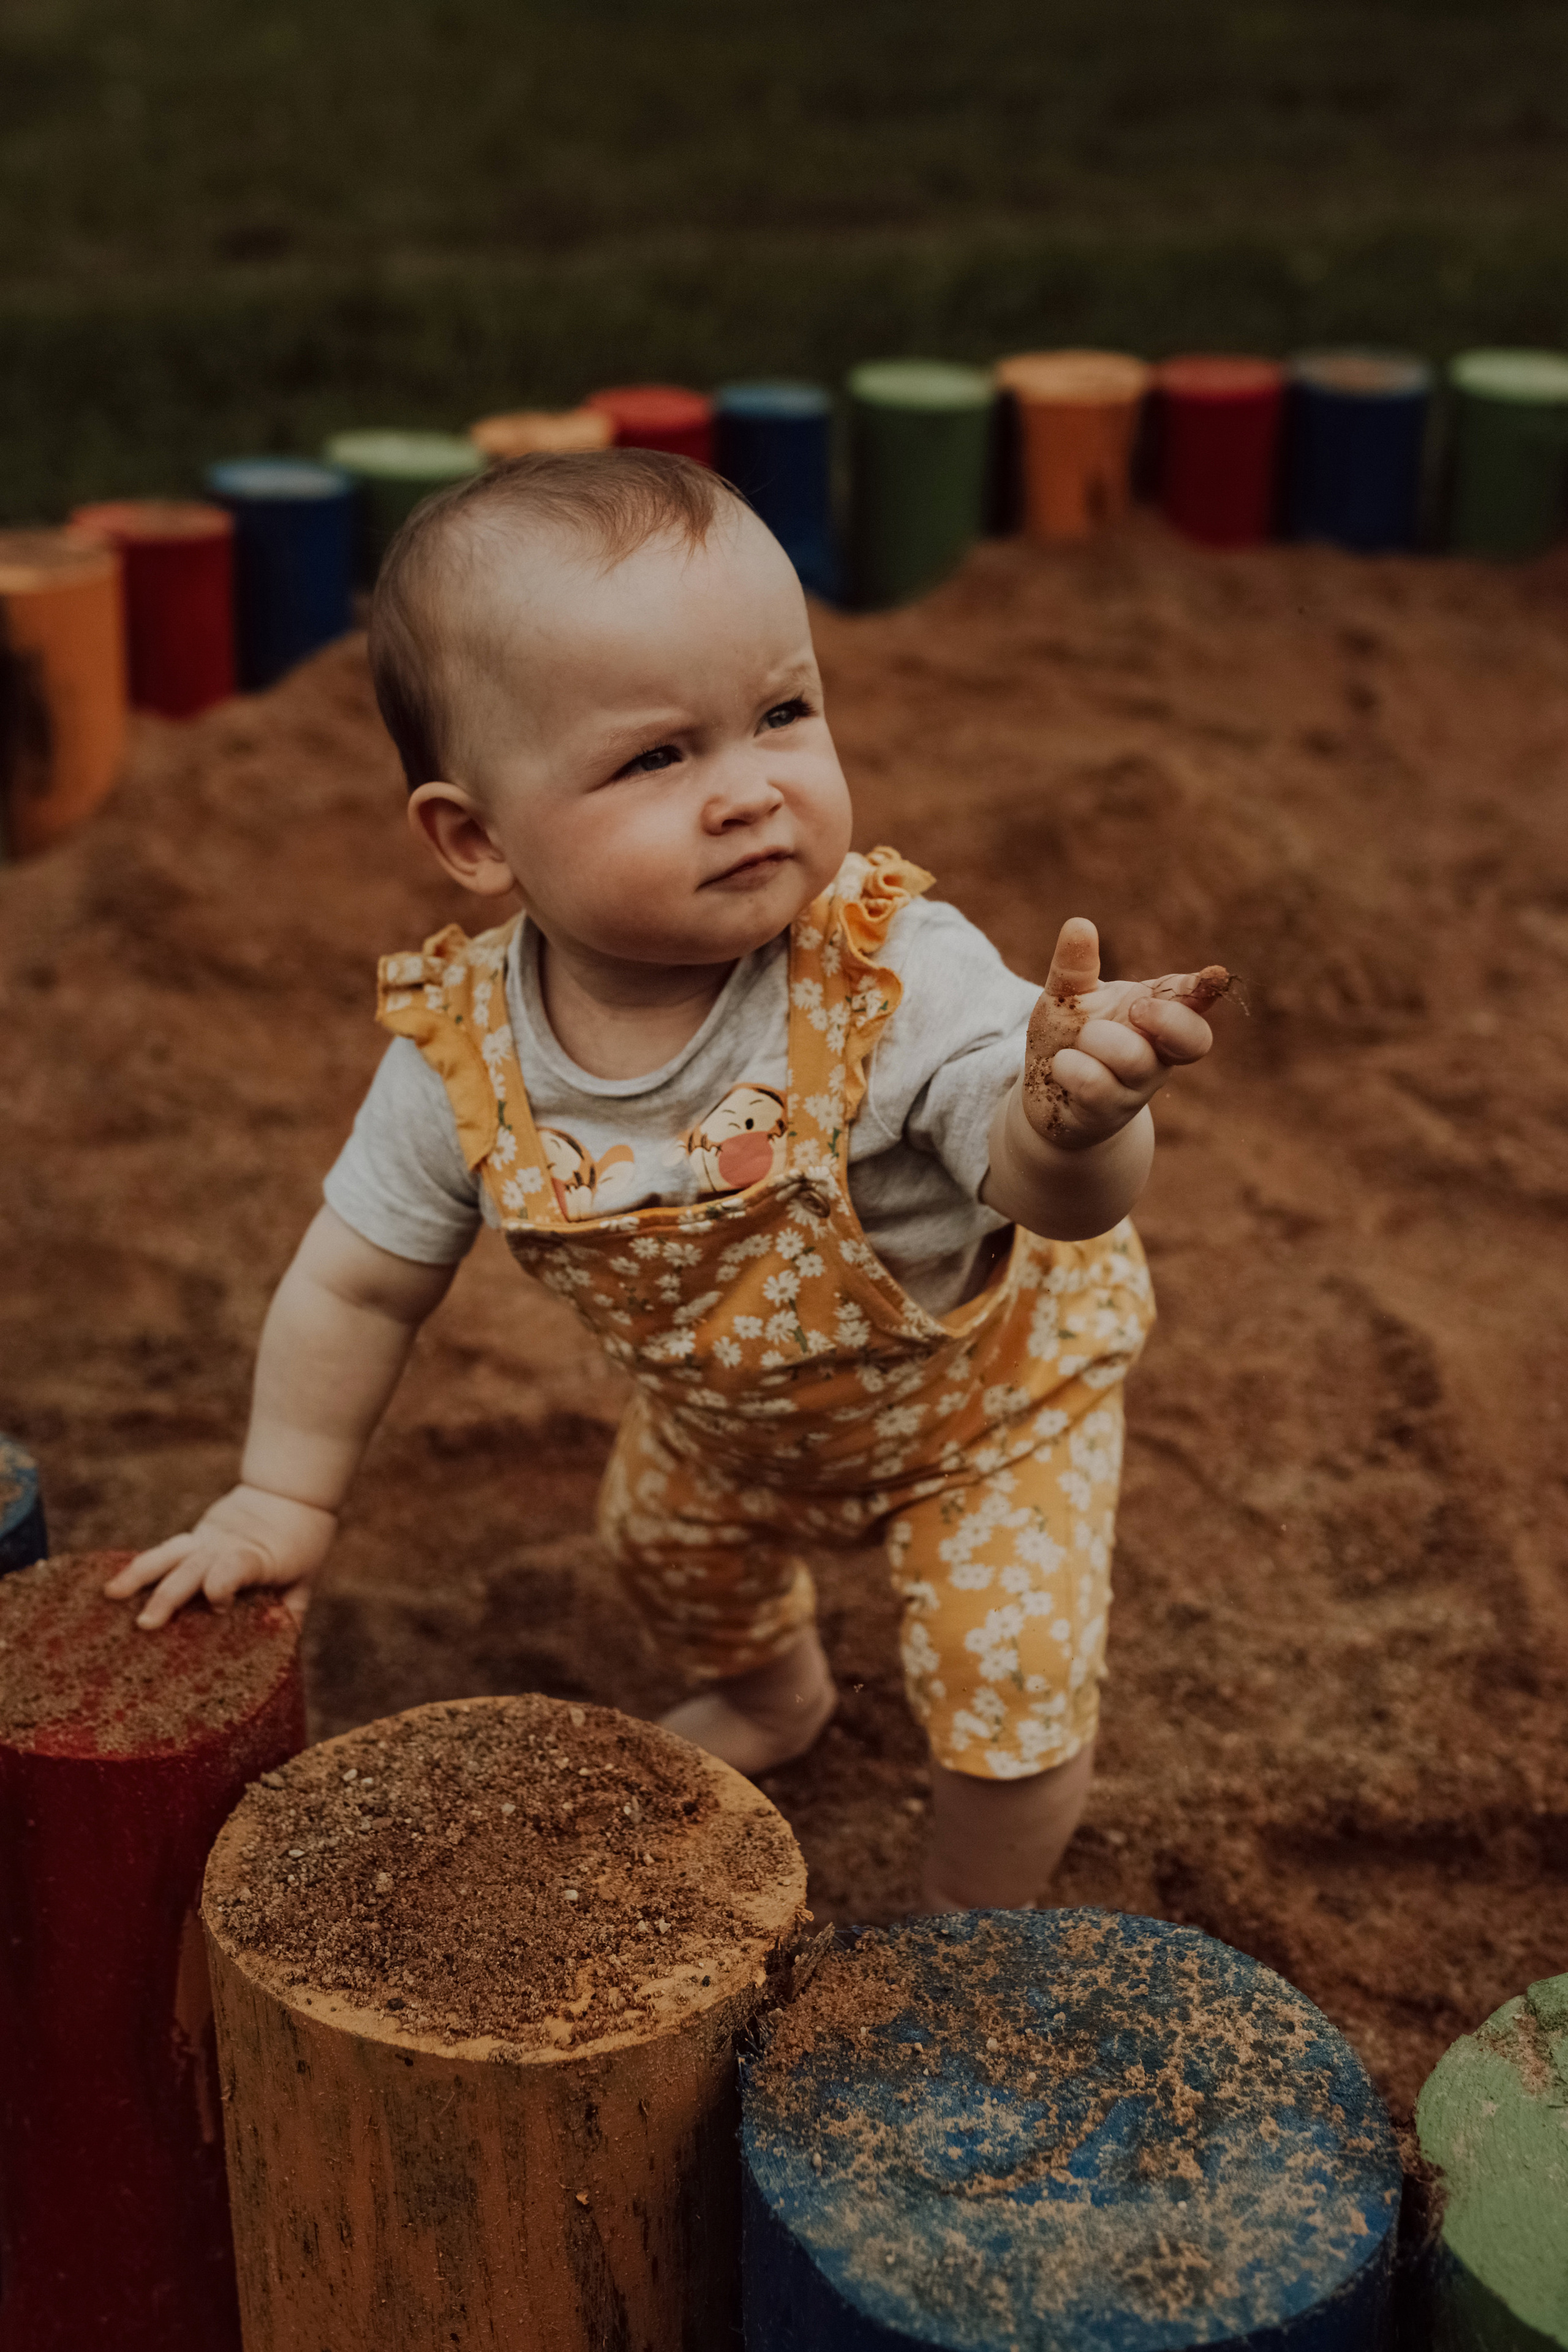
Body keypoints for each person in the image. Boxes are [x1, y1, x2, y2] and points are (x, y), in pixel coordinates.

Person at [107, 449, 1216, 1911]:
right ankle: (775, 1701)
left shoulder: (888, 971)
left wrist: (1076, 1121)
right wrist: (276, 1500)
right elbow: (359, 1276)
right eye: (654, 757)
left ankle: (964, 1933)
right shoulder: (469, 1052)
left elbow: (1042, 1187)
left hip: (992, 1408)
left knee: (1003, 1673)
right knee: (660, 1546)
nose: (749, 792)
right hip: (732, 1420)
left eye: (780, 713)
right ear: (474, 838)